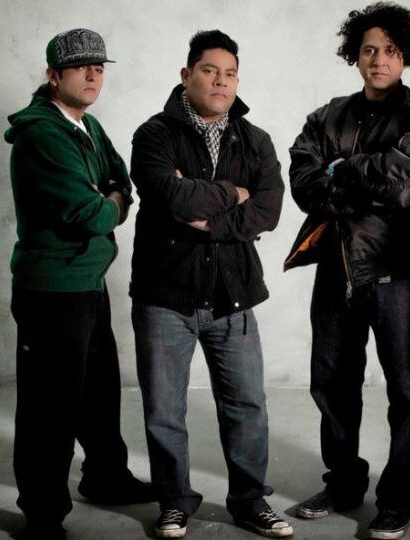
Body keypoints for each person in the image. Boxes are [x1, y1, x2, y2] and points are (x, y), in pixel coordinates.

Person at [284, 3, 410, 538]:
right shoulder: (326, 117)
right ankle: (343, 484)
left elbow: (406, 183)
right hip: (335, 272)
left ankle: (397, 501)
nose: (379, 59)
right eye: (370, 50)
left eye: (391, 51)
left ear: (406, 56)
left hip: (396, 274)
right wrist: (363, 181)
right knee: (332, 385)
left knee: (407, 392)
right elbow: (304, 183)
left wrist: (343, 168)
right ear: (354, 55)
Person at [129, 30, 290, 539]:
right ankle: (174, 502)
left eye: (230, 73)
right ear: (187, 75)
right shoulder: (154, 134)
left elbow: (268, 210)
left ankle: (250, 501)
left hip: (232, 295)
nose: (221, 81)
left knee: (247, 406)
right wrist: (233, 194)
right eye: (209, 71)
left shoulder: (255, 139)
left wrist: (207, 212)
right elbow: (167, 196)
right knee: (164, 411)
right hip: (164, 296)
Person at [4, 28, 152, 540]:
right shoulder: (42, 135)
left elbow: (121, 182)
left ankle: (105, 478)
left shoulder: (86, 125)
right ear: (54, 75)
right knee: (49, 409)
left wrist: (111, 194)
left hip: (87, 279)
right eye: (81, 67)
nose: (93, 75)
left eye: (99, 67)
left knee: (98, 392)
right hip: (52, 289)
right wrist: (108, 201)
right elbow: (92, 213)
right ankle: (42, 515)